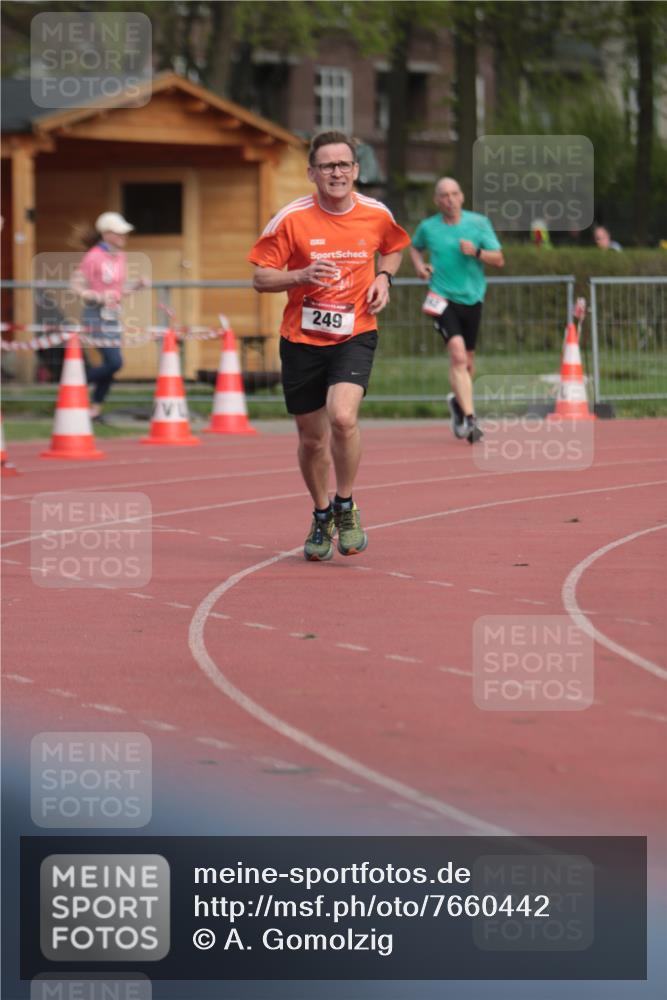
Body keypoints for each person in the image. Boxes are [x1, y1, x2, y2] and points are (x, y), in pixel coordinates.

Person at [248, 131, 410, 561]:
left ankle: (345, 504)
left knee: (342, 417)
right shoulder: (291, 218)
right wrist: (299, 276)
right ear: (311, 173)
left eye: (343, 165)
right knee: (312, 439)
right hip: (301, 339)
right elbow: (261, 278)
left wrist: (384, 277)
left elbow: (394, 248)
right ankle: (321, 513)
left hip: (355, 332)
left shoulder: (376, 213)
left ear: (356, 171)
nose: (336, 172)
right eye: (327, 166)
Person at [410, 177, 504, 443]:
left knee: (467, 362)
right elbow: (415, 248)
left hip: (473, 298)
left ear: (462, 197)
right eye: (444, 195)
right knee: (458, 356)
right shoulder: (428, 228)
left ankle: (459, 405)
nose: (449, 199)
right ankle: (472, 420)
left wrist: (476, 252)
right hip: (442, 298)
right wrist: (420, 267)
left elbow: (499, 259)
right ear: (436, 201)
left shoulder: (478, 224)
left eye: (454, 193)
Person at [71, 211, 148, 420]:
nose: (124, 236)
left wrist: (136, 286)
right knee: (114, 362)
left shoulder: (120, 257)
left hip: (113, 315)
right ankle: (73, 385)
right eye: (119, 233)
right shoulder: (93, 256)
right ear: (106, 234)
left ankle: (95, 407)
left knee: (111, 364)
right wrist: (96, 296)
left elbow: (118, 290)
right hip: (95, 315)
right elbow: (76, 286)